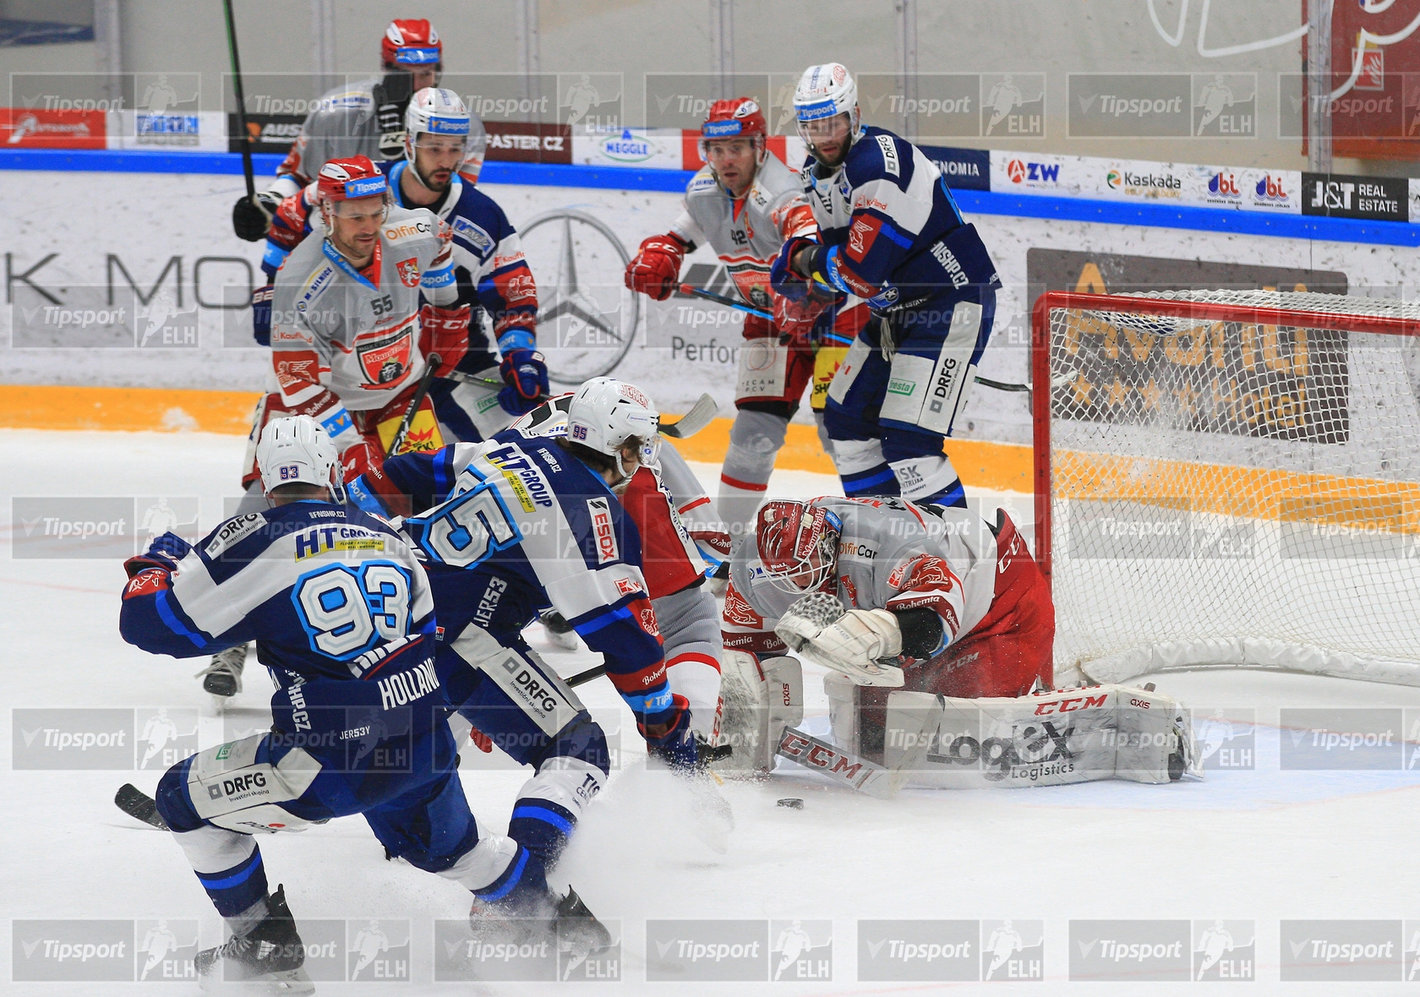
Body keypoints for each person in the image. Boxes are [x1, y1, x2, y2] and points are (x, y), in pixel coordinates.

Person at [119, 416, 606, 990]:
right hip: (422, 749)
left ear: (268, 481)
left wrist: (155, 567)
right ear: (333, 473)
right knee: (463, 855)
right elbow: (428, 640)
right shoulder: (391, 537)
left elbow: (151, 627)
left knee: (181, 796)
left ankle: (263, 951)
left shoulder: (252, 537)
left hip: (325, 761)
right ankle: (572, 931)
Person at [346, 378, 725, 874]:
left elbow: (391, 479)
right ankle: (524, 893)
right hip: (458, 639)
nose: (640, 460)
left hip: (376, 613)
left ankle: (423, 839)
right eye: (638, 448)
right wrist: (671, 736)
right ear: (621, 448)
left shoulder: (504, 448)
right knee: (578, 749)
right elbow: (632, 650)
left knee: (409, 753)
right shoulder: (595, 519)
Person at [198, 154, 462, 700]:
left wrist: (446, 317)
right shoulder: (299, 281)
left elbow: (439, 257)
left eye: (373, 213)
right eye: (352, 216)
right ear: (327, 213)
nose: (366, 227)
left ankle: (455, 623)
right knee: (268, 504)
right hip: (320, 407)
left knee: (432, 506)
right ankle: (230, 636)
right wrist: (351, 450)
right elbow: (301, 385)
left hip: (400, 397)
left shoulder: (414, 227)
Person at [720, 497, 1196, 787]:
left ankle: (1121, 726)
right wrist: (744, 737)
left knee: (955, 740)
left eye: (809, 573)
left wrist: (876, 632)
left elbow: (931, 625)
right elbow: (747, 650)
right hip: (924, 597)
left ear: (831, 544)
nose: (799, 590)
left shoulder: (894, 545)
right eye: (787, 579)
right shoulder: (755, 563)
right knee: (878, 734)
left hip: (1002, 601)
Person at [624, 97, 865, 545]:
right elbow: (680, 233)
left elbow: (804, 235)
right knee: (753, 435)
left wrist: (803, 289)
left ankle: (880, 532)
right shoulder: (704, 191)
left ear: (759, 146)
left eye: (736, 147)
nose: (725, 160)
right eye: (715, 150)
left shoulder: (783, 191)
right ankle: (726, 543)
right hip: (771, 325)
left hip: (837, 319)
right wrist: (661, 253)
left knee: (841, 432)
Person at [771, 63, 1002, 508]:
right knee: (846, 420)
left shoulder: (878, 162)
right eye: (813, 126)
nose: (825, 136)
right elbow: (840, 255)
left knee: (909, 444)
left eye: (834, 122)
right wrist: (812, 292)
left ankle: (956, 560)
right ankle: (884, 541)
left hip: (949, 304)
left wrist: (802, 261)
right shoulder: (814, 174)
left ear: (854, 115)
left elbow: (860, 272)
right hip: (895, 311)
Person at [258, 87, 547, 440]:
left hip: (450, 364)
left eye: (455, 148)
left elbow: (513, 294)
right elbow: (290, 215)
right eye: (434, 148)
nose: (446, 161)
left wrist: (520, 356)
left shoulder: (482, 216)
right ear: (409, 143)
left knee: (520, 448)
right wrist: (273, 291)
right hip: (346, 367)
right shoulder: (362, 186)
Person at [231, 19, 487, 242]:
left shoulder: (464, 125)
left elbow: (452, 200)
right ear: (386, 69)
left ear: (438, 73)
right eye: (404, 75)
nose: (416, 86)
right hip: (336, 247)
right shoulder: (334, 112)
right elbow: (298, 177)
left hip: (417, 252)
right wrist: (268, 205)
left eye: (425, 74)